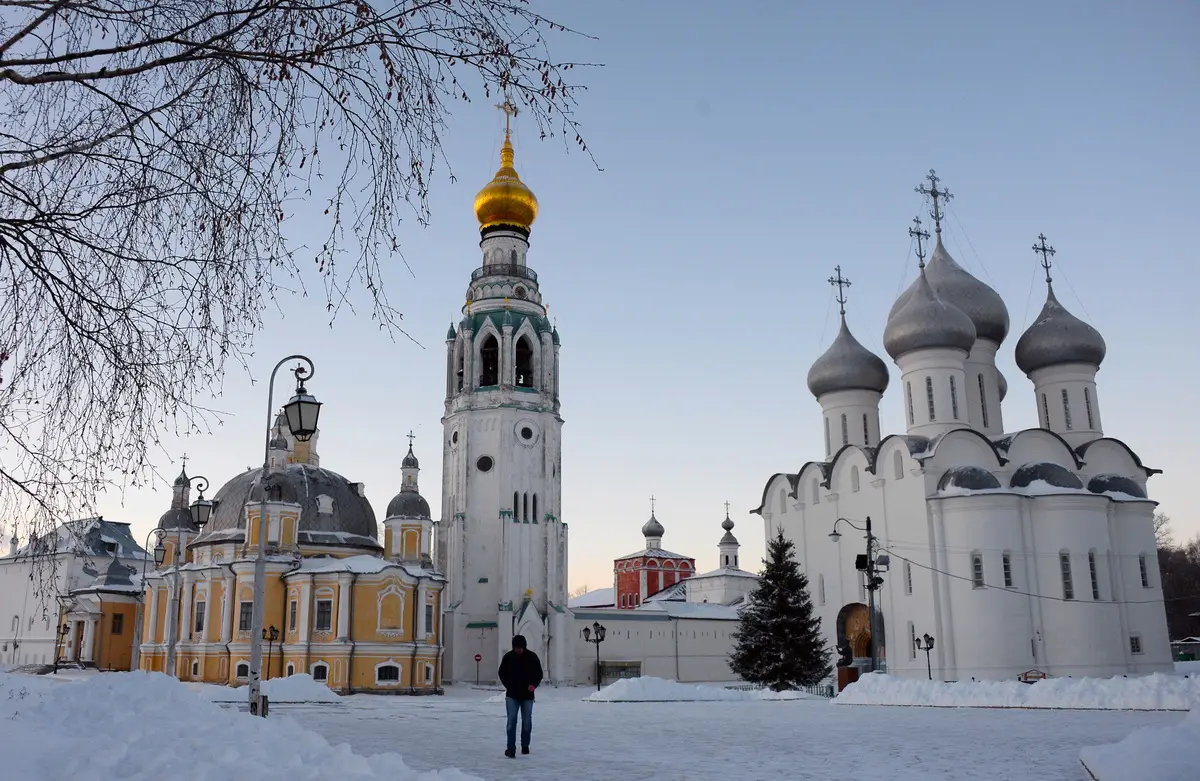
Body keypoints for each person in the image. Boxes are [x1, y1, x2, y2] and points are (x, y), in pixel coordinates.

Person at [497, 634, 543, 758]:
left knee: (527, 720)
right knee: (511, 720)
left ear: (524, 647)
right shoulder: (508, 657)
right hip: (512, 694)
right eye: (516, 648)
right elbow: (502, 672)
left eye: (520, 648)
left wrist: (533, 685)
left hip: (527, 695)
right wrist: (508, 685)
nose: (518, 650)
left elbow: (538, 673)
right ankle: (510, 748)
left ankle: (525, 745)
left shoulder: (532, 657)